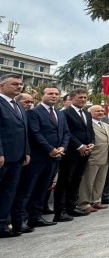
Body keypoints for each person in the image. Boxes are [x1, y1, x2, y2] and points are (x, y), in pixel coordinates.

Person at [12, 85, 68, 229]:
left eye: (56, 94)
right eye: (50, 93)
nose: (54, 96)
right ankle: (21, 219)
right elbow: (35, 133)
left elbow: (66, 132)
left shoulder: (60, 113)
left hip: (55, 157)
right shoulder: (34, 112)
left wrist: (62, 147)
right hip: (38, 157)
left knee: (43, 189)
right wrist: (50, 149)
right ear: (42, 96)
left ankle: (36, 217)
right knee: (28, 189)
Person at [0, 73, 30, 237]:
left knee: (9, 191)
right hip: (3, 156)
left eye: (20, 84)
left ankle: (3, 224)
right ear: (1, 86)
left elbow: (23, 131)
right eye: (14, 84)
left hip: (18, 156)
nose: (19, 87)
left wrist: (26, 151)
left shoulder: (18, 106)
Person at [58, 88, 95, 220]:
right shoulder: (65, 113)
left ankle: (72, 207)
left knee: (76, 179)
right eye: (80, 97)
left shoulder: (87, 114)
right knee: (65, 180)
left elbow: (90, 131)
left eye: (85, 97)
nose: (83, 100)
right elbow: (67, 132)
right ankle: (60, 210)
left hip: (85, 152)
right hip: (71, 152)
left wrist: (91, 143)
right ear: (72, 98)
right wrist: (79, 145)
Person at [78, 105, 109, 212]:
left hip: (105, 157)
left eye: (102, 110)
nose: (101, 112)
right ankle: (84, 203)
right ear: (90, 113)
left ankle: (96, 201)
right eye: (97, 111)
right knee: (88, 182)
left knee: (100, 181)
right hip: (93, 157)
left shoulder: (106, 125)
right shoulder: (87, 125)